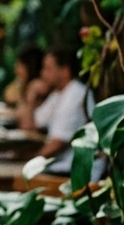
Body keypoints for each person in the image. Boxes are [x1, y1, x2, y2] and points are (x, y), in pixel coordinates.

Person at [19, 46, 89, 175]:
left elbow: (57, 144)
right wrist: (31, 97)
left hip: (72, 172)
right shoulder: (58, 94)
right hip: (57, 166)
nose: (42, 73)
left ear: (65, 72)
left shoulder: (75, 95)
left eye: (48, 69)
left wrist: (29, 162)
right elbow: (28, 127)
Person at [4, 45, 46, 114]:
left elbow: (26, 114)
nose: (16, 68)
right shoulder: (22, 83)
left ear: (30, 66)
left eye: (19, 64)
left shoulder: (39, 88)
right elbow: (8, 95)